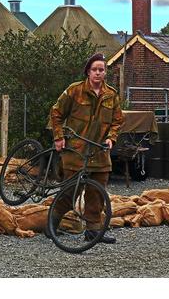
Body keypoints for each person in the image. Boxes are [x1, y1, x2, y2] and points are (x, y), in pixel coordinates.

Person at [47, 52, 125, 243]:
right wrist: (58, 137)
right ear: (88, 72)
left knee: (97, 194)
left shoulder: (111, 95)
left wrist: (111, 138)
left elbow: (118, 121)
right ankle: (51, 225)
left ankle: (93, 232)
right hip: (76, 151)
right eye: (94, 70)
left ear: (105, 72)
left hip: (99, 152)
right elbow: (56, 113)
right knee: (70, 191)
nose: (98, 73)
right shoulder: (75, 90)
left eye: (102, 70)